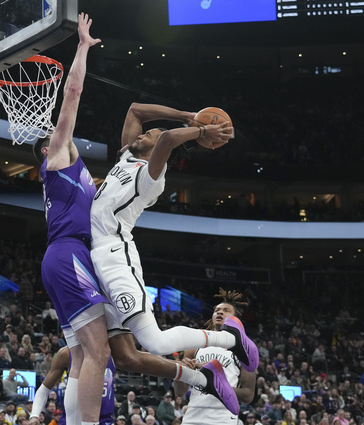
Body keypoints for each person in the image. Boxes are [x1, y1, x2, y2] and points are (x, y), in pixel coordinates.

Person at [87, 102, 258, 409]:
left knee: (155, 342)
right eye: (144, 134)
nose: (142, 135)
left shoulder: (151, 177)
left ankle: (232, 341)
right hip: (96, 263)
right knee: (125, 356)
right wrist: (185, 116)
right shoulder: (126, 156)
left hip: (116, 258)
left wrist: (201, 130)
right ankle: (206, 375)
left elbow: (166, 141)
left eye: (148, 135)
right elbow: (135, 110)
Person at [32, 13, 109, 425]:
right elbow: (73, 93)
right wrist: (81, 47)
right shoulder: (57, 157)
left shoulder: (80, 177)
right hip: (66, 256)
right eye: (54, 136)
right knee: (100, 350)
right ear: (47, 150)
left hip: (64, 257)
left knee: (81, 353)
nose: (60, 134)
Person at [173, 288, 257, 425]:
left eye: (226, 310)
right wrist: (180, 373)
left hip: (223, 416)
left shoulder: (244, 350)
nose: (219, 312)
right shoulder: (196, 344)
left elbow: (248, 395)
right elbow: (179, 392)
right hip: (193, 414)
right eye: (217, 310)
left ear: (235, 320)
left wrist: (216, 385)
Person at [29, 346, 115, 425]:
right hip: (73, 419)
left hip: (104, 420)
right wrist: (34, 415)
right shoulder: (66, 353)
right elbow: (43, 390)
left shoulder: (113, 350)